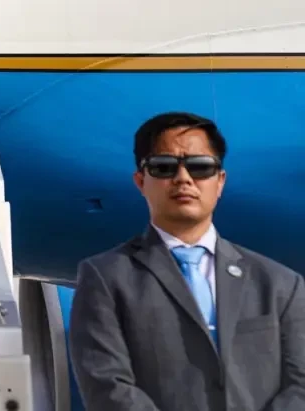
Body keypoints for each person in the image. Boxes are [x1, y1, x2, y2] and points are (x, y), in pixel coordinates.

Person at [67, 111, 305, 410]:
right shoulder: (105, 278)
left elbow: (300, 385)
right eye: (163, 167)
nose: (183, 178)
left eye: (200, 167)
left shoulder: (281, 285)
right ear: (140, 181)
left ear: (220, 181)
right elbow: (107, 387)